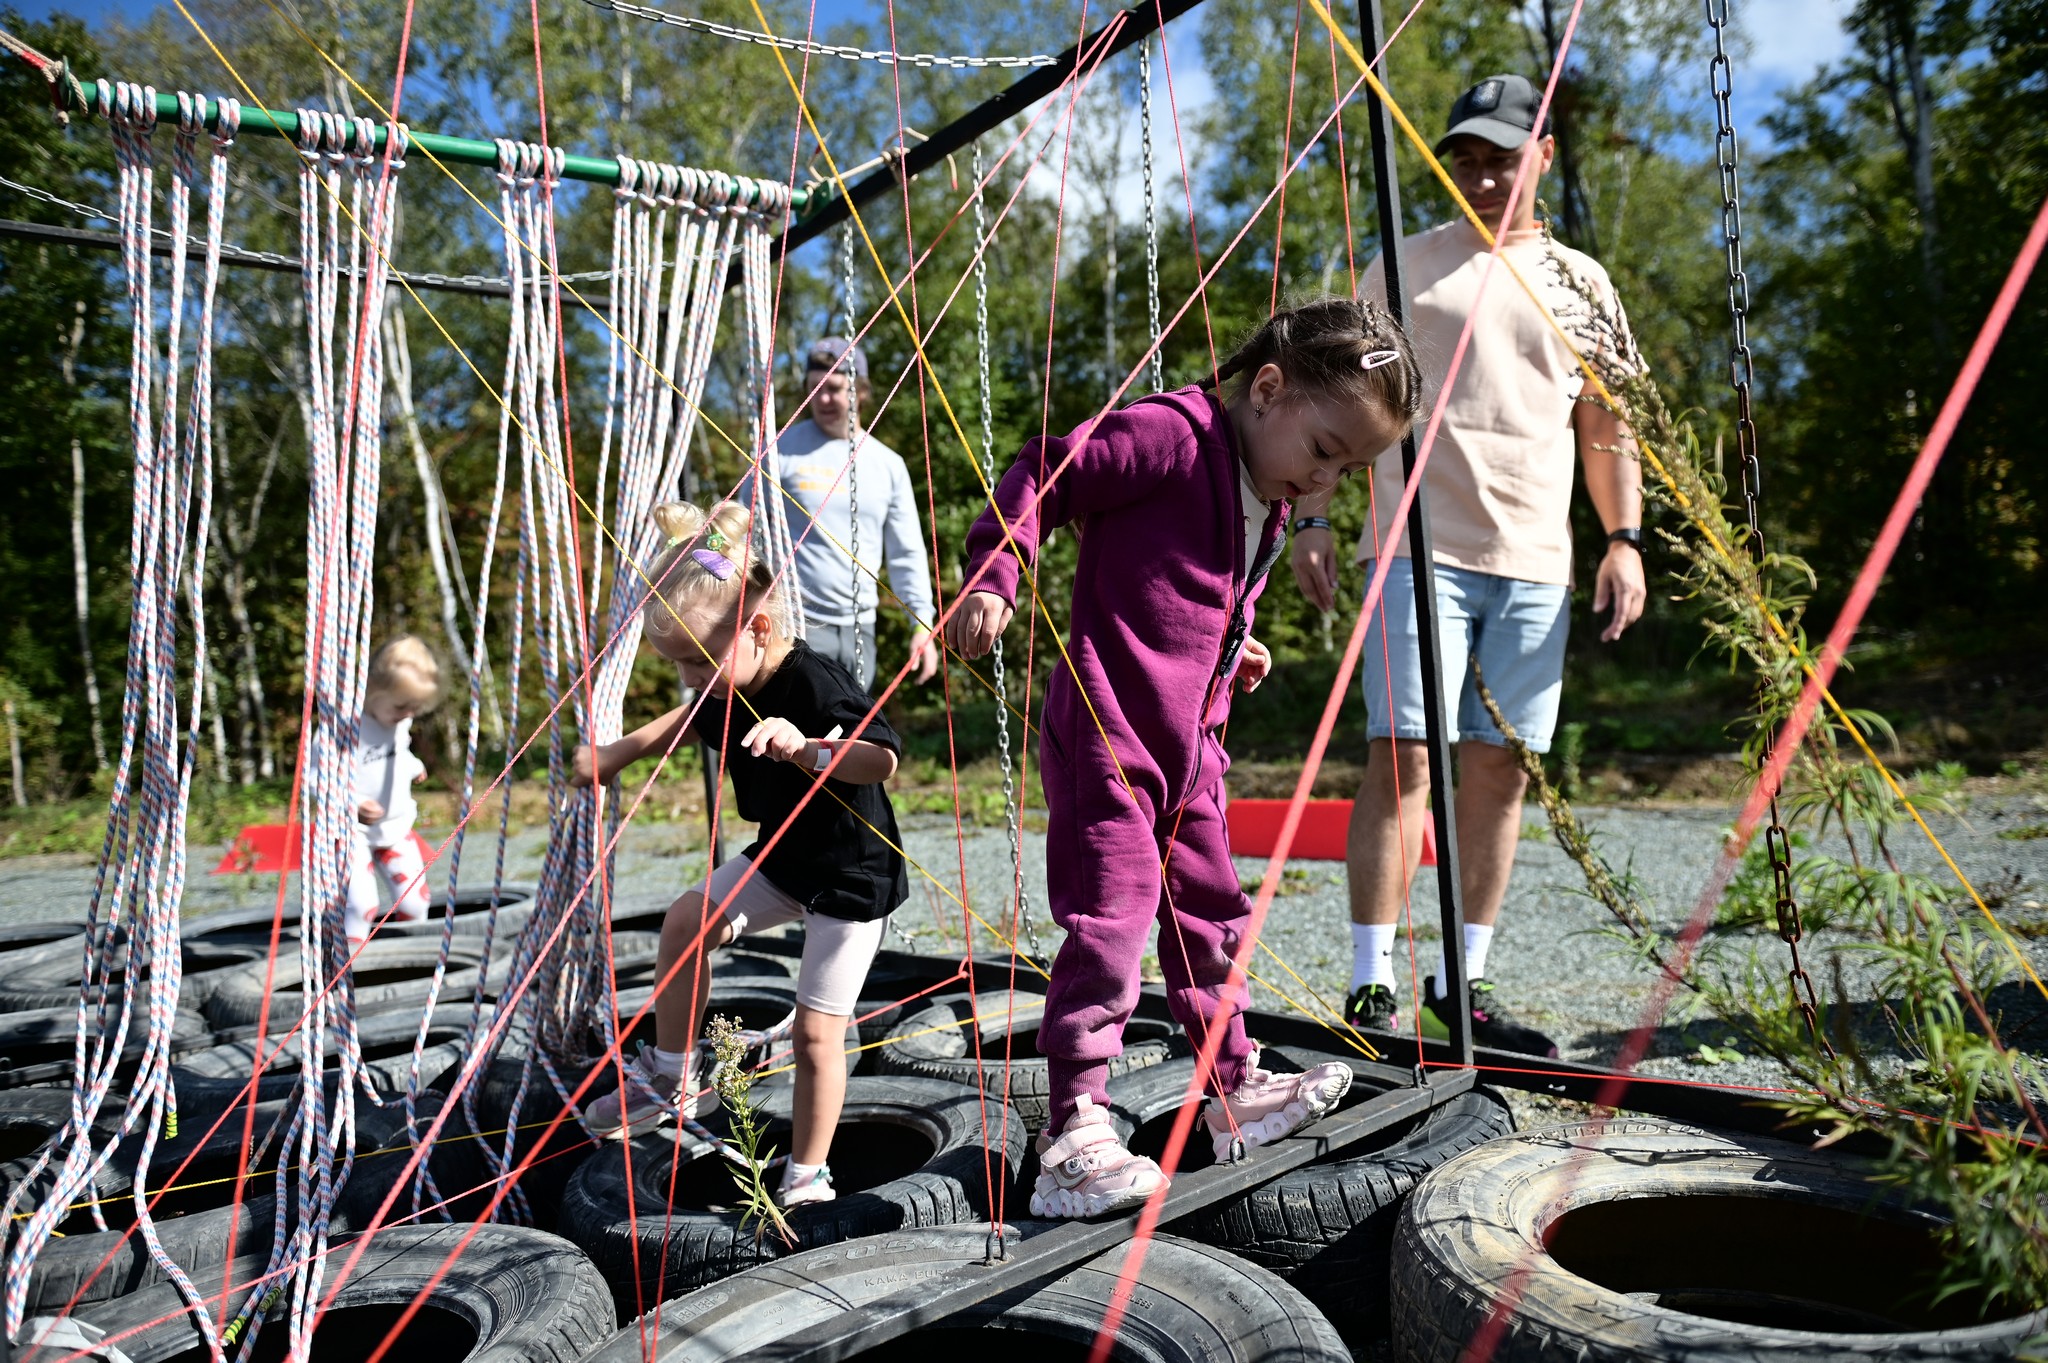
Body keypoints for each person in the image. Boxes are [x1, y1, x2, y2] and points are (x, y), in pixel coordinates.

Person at [948, 296, 1424, 1219]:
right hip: (1111, 727)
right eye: (1324, 452)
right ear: (1270, 388)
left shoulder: (1270, 490)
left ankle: (1233, 1085)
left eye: (1350, 471)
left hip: (1192, 741)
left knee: (1212, 913)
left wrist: (1232, 642)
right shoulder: (1174, 433)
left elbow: (1194, 588)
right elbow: (1047, 470)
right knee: (1112, 923)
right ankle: (1075, 1127)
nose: (1325, 484)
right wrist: (996, 571)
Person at [1291, 74, 1647, 1058]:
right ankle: (1370, 985)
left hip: (1535, 563)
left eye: (1503, 157)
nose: (1485, 177)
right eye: (1468, 160)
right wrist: (1310, 516)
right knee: (1398, 758)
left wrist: (1622, 540)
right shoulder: (1399, 270)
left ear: (1538, 156)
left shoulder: (1581, 282)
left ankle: (1461, 986)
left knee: (1496, 773)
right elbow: (1332, 401)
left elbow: (1607, 424)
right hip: (1412, 550)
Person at [576, 499, 907, 1210]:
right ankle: (671, 1074)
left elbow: (881, 760)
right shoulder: (723, 685)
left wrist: (808, 746)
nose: (692, 679)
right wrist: (618, 752)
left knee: (818, 1032)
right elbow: (688, 717)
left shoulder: (813, 681)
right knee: (685, 920)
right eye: (681, 666)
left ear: (757, 628)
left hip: (851, 878)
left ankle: (808, 1171)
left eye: (699, 661)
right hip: (784, 859)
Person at [748, 337, 938, 692]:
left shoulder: (887, 465)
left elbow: (906, 554)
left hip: (859, 629)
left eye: (834, 388)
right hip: (793, 626)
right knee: (792, 740)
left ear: (861, 391)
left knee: (848, 741)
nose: (822, 399)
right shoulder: (779, 451)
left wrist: (921, 626)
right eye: (814, 388)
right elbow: (743, 531)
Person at [347, 636, 441, 947]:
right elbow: (315, 778)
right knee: (362, 906)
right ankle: (348, 962)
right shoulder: (346, 729)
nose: (407, 714)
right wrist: (354, 802)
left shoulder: (399, 722)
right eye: (402, 705)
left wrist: (414, 767)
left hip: (395, 829)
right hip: (353, 833)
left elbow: (397, 751)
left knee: (416, 902)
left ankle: (409, 956)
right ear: (372, 690)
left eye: (415, 707)